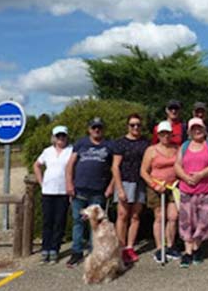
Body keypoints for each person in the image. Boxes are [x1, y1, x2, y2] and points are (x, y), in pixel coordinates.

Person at [65, 117, 115, 267]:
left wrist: (111, 186)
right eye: (94, 127)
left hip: (98, 191)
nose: (97, 130)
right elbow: (70, 165)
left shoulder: (109, 146)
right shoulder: (81, 143)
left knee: (97, 224)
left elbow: (115, 168)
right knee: (77, 222)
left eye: (99, 127)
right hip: (79, 189)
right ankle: (77, 252)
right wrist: (69, 184)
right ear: (89, 129)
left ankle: (95, 252)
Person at [174, 117, 208, 268]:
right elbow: (177, 165)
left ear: (204, 129)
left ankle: (196, 247)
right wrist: (186, 177)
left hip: (207, 190)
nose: (197, 131)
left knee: (204, 221)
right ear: (190, 131)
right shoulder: (185, 146)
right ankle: (188, 252)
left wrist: (201, 175)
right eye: (194, 128)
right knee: (186, 222)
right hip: (187, 190)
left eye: (199, 128)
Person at [110, 113, 150, 264]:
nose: (135, 127)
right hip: (125, 181)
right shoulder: (120, 143)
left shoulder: (145, 143)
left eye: (138, 125)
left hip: (140, 182)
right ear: (128, 126)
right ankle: (119, 248)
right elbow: (115, 167)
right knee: (122, 215)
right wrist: (119, 188)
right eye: (132, 125)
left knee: (135, 216)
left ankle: (130, 247)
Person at [141, 121, 181, 263]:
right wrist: (154, 184)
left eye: (167, 133)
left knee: (173, 217)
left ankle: (170, 245)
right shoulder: (151, 150)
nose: (165, 136)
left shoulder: (177, 148)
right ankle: (159, 248)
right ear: (158, 135)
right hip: (156, 187)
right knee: (159, 217)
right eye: (162, 133)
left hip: (173, 186)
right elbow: (143, 172)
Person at [33, 125, 73, 264]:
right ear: (54, 138)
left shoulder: (71, 150)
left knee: (59, 222)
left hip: (63, 191)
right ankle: (45, 249)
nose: (61, 138)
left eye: (63, 136)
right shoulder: (47, 151)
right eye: (58, 136)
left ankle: (55, 250)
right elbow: (37, 165)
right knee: (47, 221)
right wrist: (41, 182)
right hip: (48, 191)